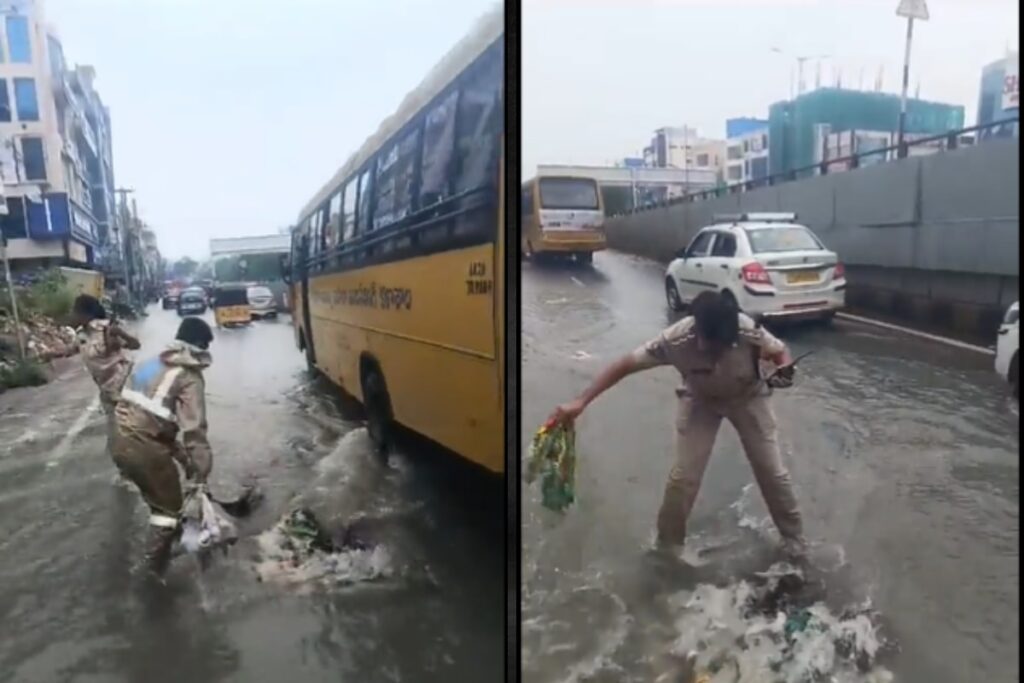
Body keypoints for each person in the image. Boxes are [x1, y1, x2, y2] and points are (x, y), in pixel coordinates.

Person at [548, 290, 807, 558]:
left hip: (748, 397)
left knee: (773, 473)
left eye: (724, 346)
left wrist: (786, 369)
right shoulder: (675, 340)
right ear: (696, 331)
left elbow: (781, 352)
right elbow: (625, 365)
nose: (717, 355)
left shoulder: (749, 332)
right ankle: (667, 548)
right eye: (712, 346)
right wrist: (580, 402)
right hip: (701, 400)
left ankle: (795, 542)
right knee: (682, 478)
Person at [111, 317, 215, 577]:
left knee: (158, 500)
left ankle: (170, 547)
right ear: (201, 346)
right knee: (169, 511)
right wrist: (201, 473)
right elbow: (195, 430)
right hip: (146, 447)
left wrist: (183, 459)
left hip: (119, 441)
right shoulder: (190, 377)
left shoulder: (150, 363)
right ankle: (152, 575)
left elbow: (138, 403)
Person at [71, 294, 140, 452]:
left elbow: (135, 345)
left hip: (124, 386)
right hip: (107, 391)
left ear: (85, 313)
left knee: (132, 435)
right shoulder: (81, 334)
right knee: (116, 440)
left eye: (75, 311)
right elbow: (71, 349)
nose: (72, 315)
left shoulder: (107, 329)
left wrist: (121, 335)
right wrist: (49, 354)